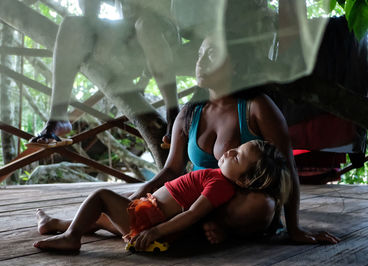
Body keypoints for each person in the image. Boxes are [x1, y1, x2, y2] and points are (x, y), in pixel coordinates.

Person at [130, 34, 340, 245]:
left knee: (261, 205)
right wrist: (138, 195)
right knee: (145, 207)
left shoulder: (257, 107)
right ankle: (198, 229)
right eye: (200, 55)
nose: (201, 63)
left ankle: (209, 229)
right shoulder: (190, 112)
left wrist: (295, 229)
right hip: (197, 204)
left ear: (236, 65)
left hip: (238, 210)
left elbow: (287, 167)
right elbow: (172, 169)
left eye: (211, 55)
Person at [34, 140, 291, 251]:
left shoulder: (220, 186)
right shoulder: (219, 180)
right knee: (100, 218)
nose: (230, 151)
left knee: (101, 196)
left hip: (149, 219)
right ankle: (53, 224)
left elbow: (192, 214)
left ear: (245, 179)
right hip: (147, 211)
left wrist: (155, 232)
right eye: (235, 148)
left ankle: (71, 237)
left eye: (238, 156)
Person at [29, 0, 179, 146]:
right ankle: (58, 117)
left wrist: (144, 79)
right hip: (127, 37)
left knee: (146, 23)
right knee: (72, 24)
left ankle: (173, 113)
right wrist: (93, 29)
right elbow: (91, 11)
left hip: (163, 32)